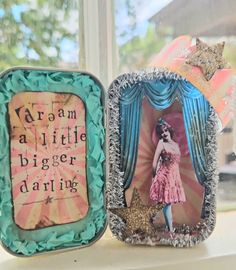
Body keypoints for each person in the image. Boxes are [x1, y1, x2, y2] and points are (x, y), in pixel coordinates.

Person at [150, 118, 186, 232]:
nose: (163, 134)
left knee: (165, 203)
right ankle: (170, 230)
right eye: (161, 132)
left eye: (165, 130)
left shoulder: (176, 145)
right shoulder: (161, 143)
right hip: (164, 176)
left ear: (169, 130)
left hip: (174, 178)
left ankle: (161, 224)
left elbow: (176, 164)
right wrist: (154, 178)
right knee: (167, 204)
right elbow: (155, 161)